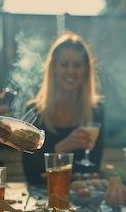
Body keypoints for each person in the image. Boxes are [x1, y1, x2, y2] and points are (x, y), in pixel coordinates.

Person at [21, 31, 104, 186]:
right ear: (53, 68)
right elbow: (32, 175)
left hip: (80, 198)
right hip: (43, 200)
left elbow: (92, 168)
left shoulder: (96, 111)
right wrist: (61, 148)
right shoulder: (34, 111)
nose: (70, 71)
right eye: (64, 64)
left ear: (86, 70)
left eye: (77, 65)